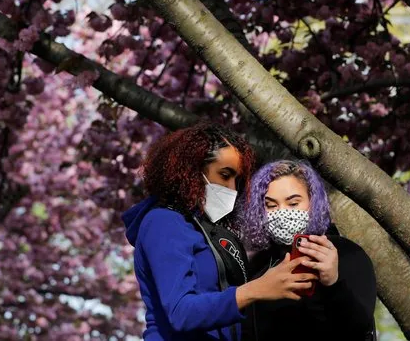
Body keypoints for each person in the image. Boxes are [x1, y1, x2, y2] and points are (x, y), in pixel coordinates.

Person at [122, 123, 319, 341]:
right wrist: (257, 289)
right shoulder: (163, 222)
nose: (233, 189)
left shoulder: (213, 231)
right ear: (191, 170)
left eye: (238, 179)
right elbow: (181, 312)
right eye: (225, 175)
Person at [242, 160, 377, 341]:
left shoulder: (346, 253)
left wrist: (333, 283)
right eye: (271, 205)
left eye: (293, 203)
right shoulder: (260, 265)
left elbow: (359, 327)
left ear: (313, 203)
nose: (282, 213)